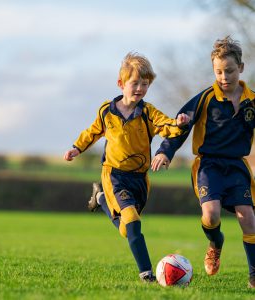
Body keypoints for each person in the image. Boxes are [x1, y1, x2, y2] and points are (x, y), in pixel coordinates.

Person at [64, 52, 190, 282]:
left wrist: (178, 124)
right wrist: (77, 148)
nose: (140, 88)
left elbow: (165, 125)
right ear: (121, 84)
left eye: (145, 84)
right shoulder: (106, 111)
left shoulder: (148, 112)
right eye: (135, 83)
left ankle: (101, 200)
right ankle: (147, 274)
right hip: (114, 175)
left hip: (140, 179)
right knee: (131, 220)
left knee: (127, 229)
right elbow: (91, 132)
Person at [152, 36, 255, 288]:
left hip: (237, 167)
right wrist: (166, 150)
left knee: (249, 219)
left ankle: (253, 275)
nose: (224, 77)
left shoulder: (252, 101)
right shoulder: (205, 98)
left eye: (229, 71)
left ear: (240, 68)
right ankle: (215, 244)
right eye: (218, 72)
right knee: (210, 216)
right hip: (208, 166)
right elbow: (181, 123)